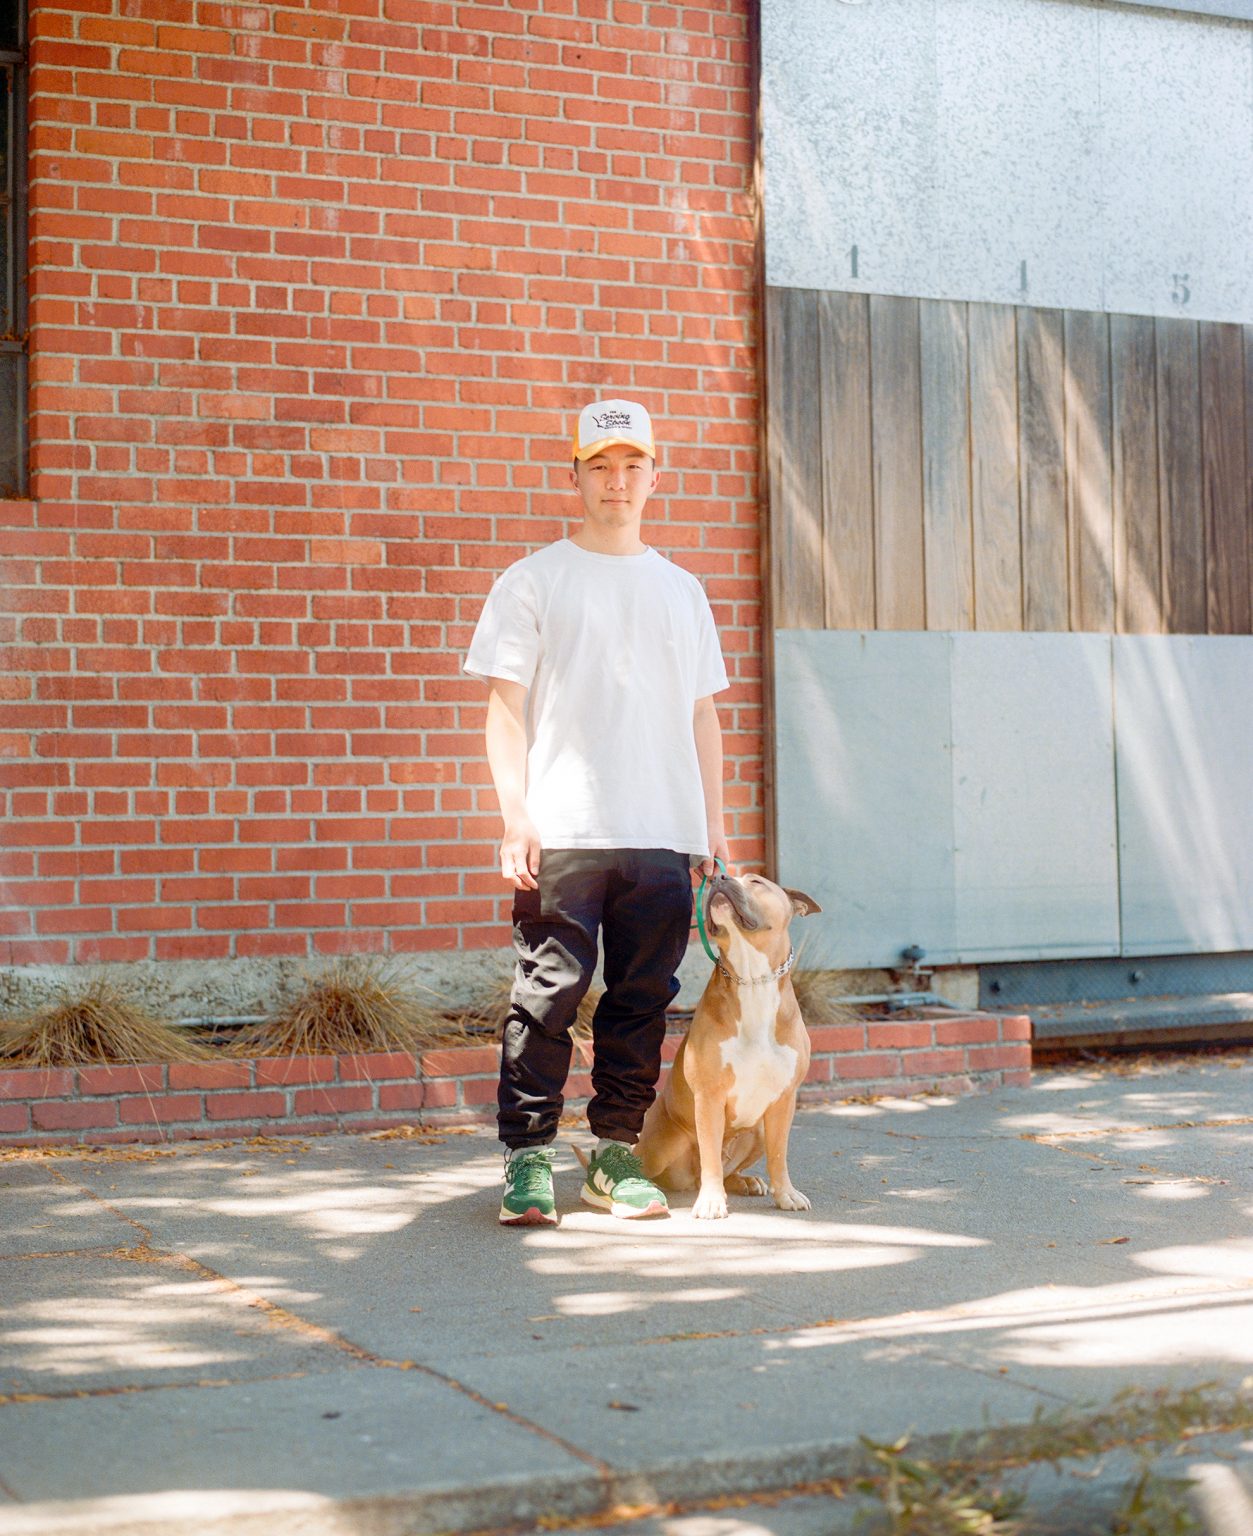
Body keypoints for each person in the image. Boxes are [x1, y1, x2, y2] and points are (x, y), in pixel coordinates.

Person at [464, 398, 731, 1226]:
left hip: (660, 829)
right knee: (547, 993)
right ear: (573, 474)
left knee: (641, 1000)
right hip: (564, 830)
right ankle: (529, 1159)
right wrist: (515, 814)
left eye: (631, 466)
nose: (616, 482)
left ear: (656, 475)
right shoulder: (533, 579)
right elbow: (503, 707)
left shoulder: (682, 591)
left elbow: (702, 716)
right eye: (599, 466)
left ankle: (614, 1154)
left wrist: (712, 829)